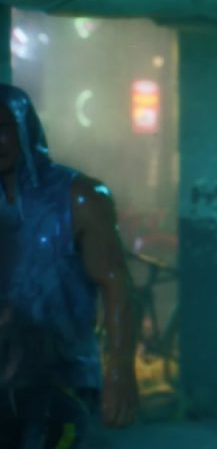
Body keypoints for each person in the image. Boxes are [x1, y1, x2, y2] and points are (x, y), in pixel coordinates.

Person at [0, 83, 137, 448]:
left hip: (62, 377)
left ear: (25, 128)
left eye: (4, 127)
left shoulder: (78, 196)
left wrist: (120, 369)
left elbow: (115, 283)